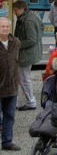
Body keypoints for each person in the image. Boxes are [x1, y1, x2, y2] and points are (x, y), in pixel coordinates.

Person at [12, 0, 42, 111]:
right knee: (23, 78)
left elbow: (31, 39)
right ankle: (23, 101)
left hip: (26, 54)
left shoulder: (27, 20)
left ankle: (31, 102)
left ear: (22, 9)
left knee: (24, 79)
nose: (14, 12)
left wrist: (17, 44)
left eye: (16, 10)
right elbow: (41, 29)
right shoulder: (32, 17)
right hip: (30, 53)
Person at [0, 17, 22, 151]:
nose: (5, 29)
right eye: (2, 26)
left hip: (12, 86)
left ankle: (7, 141)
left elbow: (16, 61)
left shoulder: (16, 42)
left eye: (6, 27)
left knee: (10, 116)